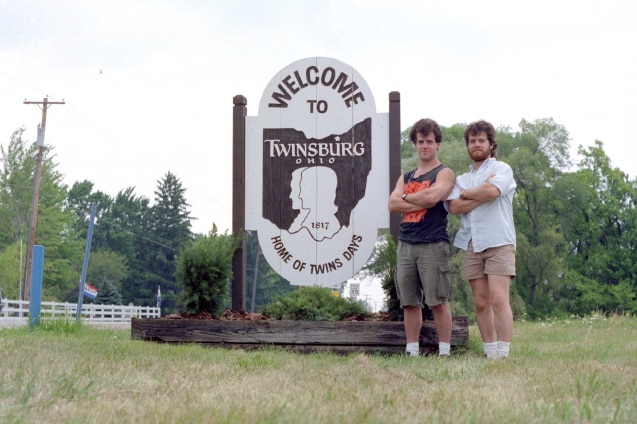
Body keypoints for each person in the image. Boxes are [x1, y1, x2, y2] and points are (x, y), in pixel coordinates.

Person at [446, 120, 516, 359]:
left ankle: (503, 353)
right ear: (468, 145)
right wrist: (478, 193)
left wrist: (469, 194)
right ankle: (490, 351)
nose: (476, 144)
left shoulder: (503, 169)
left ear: (491, 144)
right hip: (471, 242)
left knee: (498, 298)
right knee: (481, 302)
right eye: (472, 141)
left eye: (481, 140)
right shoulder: (462, 178)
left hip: (499, 240)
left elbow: (492, 192)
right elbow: (454, 207)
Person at [388, 118, 455, 357]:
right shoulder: (406, 177)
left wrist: (406, 199)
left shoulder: (444, 172)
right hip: (406, 242)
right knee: (409, 301)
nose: (424, 146)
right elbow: (391, 204)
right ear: (414, 145)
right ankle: (412, 350)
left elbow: (431, 199)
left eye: (429, 141)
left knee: (437, 300)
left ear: (437, 144)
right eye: (420, 142)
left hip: (433, 243)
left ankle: (445, 351)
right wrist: (411, 198)